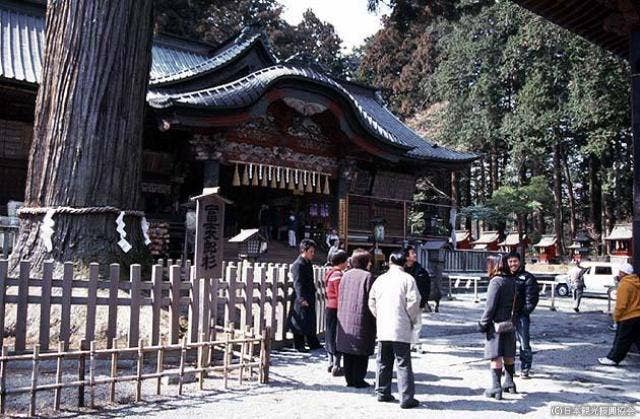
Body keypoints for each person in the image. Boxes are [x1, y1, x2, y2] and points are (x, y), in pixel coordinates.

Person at [368, 250, 421, 409]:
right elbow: (414, 301)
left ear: (390, 261)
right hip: (400, 326)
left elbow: (371, 301)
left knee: (383, 361)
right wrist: (409, 318)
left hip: (384, 325)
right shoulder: (408, 279)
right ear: (404, 262)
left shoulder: (380, 279)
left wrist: (379, 315)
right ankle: (406, 397)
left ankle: (382, 392)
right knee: (403, 362)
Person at [478, 255, 517, 400]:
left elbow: (490, 307)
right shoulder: (511, 280)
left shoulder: (496, 282)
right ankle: (509, 382)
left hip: (496, 324)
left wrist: (483, 323)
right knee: (509, 355)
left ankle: (496, 387)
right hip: (509, 323)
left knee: (496, 356)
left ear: (494, 265)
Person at [336, 249, 376, 388]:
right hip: (362, 316)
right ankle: (359, 379)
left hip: (345, 316)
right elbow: (371, 299)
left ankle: (349, 379)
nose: (370, 263)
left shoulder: (345, 275)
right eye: (369, 261)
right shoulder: (368, 277)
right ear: (365, 262)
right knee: (361, 351)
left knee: (348, 351)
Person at [598, 263, 640, 366]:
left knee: (622, 339)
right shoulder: (637, 282)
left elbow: (621, 304)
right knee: (638, 339)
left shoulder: (625, 284)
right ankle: (612, 358)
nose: (618, 274)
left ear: (623, 273)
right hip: (638, 314)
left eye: (620, 272)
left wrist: (616, 317)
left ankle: (613, 358)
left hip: (627, 316)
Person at [507, 251, 539, 379]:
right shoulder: (506, 276)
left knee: (524, 343)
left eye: (515, 261)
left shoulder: (528, 277)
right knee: (508, 343)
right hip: (507, 316)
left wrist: (524, 311)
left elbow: (532, 298)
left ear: (520, 262)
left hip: (521, 316)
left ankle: (525, 368)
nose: (512, 264)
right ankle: (509, 368)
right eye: (510, 261)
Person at [288, 239, 321, 352]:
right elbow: (298, 283)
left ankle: (313, 343)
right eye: (311, 251)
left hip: (309, 294)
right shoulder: (298, 264)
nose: (313, 254)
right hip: (301, 296)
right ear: (304, 251)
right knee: (300, 322)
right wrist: (301, 298)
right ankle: (299, 345)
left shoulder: (307, 263)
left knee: (310, 320)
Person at [324, 249, 348, 376]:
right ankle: (337, 365)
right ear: (342, 262)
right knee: (337, 336)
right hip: (337, 308)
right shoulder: (338, 275)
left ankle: (330, 362)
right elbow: (340, 295)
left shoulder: (329, 274)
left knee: (330, 334)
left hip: (329, 306)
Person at [403, 245, 430, 352]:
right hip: (403, 302)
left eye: (414, 253)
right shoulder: (401, 270)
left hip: (417, 301)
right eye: (412, 253)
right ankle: (405, 343)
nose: (415, 255)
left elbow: (427, 287)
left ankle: (415, 344)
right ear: (406, 257)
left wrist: (424, 300)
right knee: (404, 323)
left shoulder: (421, 271)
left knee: (417, 323)